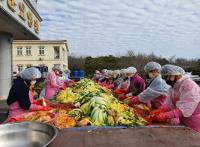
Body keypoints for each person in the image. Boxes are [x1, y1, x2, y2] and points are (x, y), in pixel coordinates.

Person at [150, 65, 200, 132]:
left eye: (166, 77)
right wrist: (161, 109)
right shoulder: (173, 87)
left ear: (174, 75)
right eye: (163, 77)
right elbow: (169, 103)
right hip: (184, 121)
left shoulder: (188, 85)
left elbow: (185, 108)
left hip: (195, 122)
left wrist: (165, 115)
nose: (165, 80)